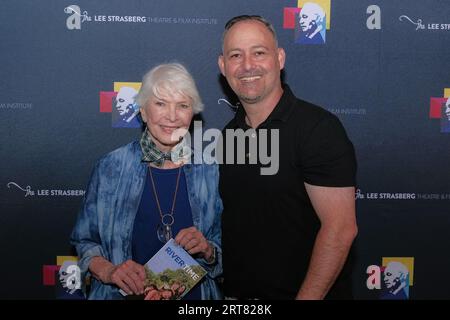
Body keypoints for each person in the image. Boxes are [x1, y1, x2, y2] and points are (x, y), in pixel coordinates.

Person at [218, 15, 357, 299]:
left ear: (279, 59)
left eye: (259, 52)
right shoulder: (229, 134)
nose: (247, 66)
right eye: (236, 55)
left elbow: (340, 230)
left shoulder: (317, 129)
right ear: (223, 66)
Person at [71, 63, 223, 300]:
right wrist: (110, 271)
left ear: (192, 113)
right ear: (143, 111)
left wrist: (208, 249)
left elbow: (225, 247)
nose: (172, 116)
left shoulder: (210, 170)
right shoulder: (111, 167)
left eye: (182, 106)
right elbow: (84, 241)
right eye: (160, 103)